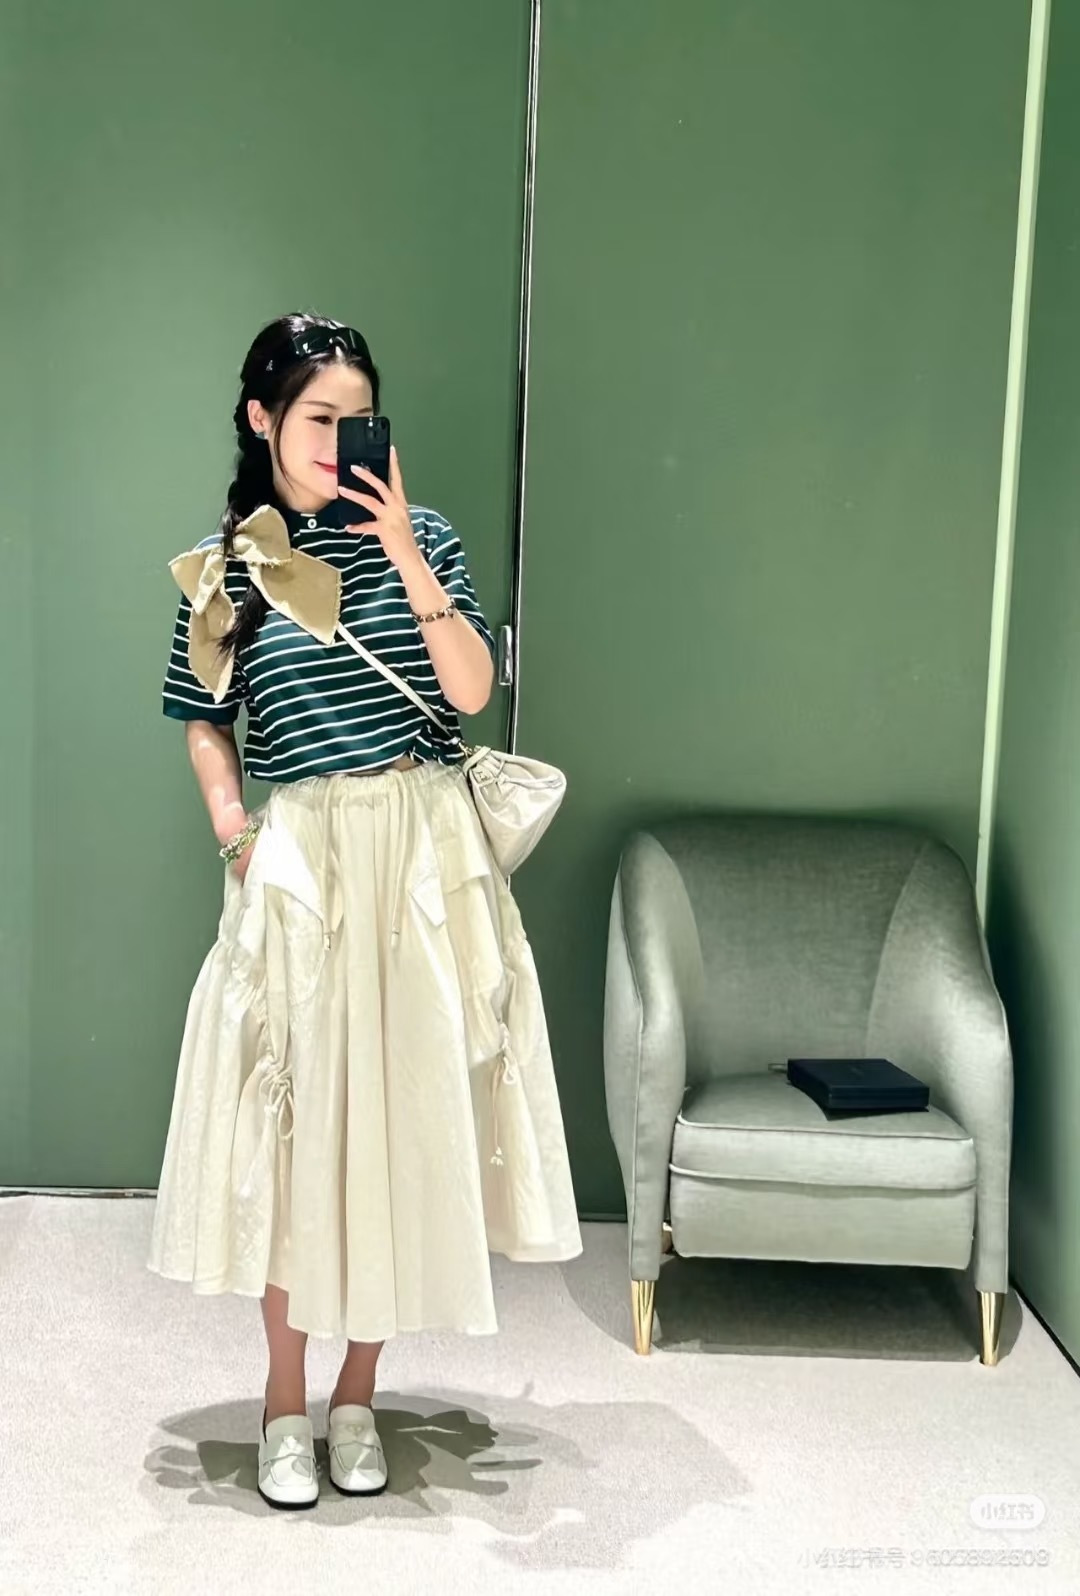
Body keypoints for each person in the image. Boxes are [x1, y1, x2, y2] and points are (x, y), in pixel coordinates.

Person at [147, 312, 582, 1511]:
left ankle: (357, 1396)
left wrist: (402, 554)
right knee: (297, 1140)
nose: (338, 437)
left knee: (404, 1121)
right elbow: (205, 720)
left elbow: (471, 690)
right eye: (317, 416)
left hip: (426, 859)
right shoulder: (229, 567)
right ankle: (285, 1401)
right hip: (306, 862)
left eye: (357, 416)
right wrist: (234, 832)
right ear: (261, 420)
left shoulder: (423, 537)